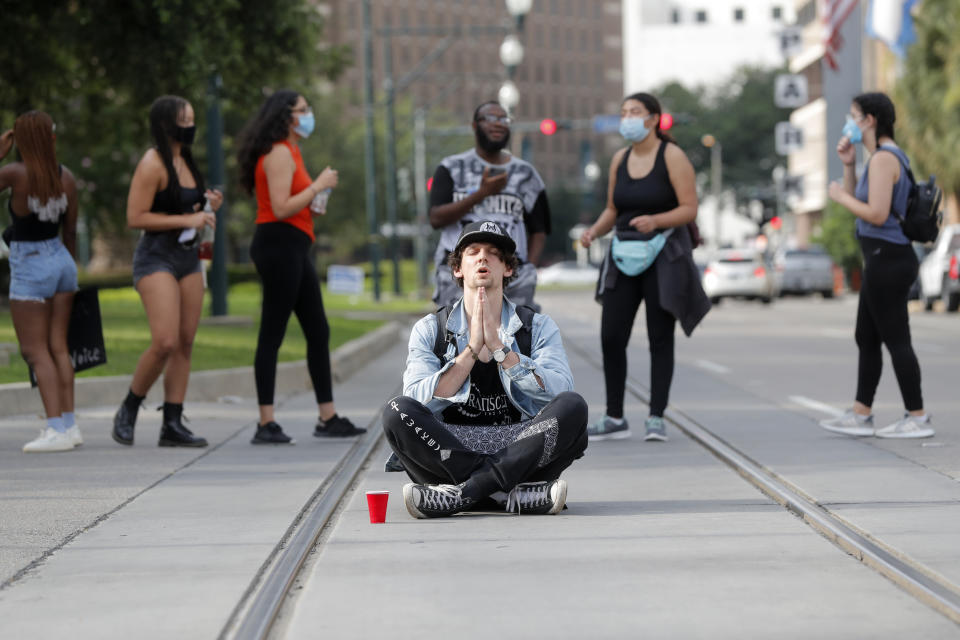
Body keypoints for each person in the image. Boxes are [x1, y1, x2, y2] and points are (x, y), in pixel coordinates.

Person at [382, 220, 588, 518]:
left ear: (507, 269)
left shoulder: (537, 327)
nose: (482, 257)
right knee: (396, 411)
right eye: (473, 252)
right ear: (458, 268)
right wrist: (470, 351)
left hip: (520, 448)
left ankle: (464, 495)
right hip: (450, 451)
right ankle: (511, 496)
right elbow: (417, 400)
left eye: (493, 253)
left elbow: (559, 391)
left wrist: (501, 351)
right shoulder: (430, 329)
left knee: (573, 407)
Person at [580, 92, 709, 443]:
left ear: (653, 119)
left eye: (635, 112)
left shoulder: (673, 156)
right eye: (623, 113)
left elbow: (689, 208)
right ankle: (615, 416)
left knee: (659, 337)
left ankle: (656, 416)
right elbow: (613, 208)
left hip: (662, 255)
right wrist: (594, 231)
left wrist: (656, 220)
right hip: (623, 254)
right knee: (611, 335)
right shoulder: (619, 159)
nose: (627, 119)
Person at [236, 89, 363, 444]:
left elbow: (297, 203)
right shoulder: (278, 153)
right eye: (303, 110)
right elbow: (279, 207)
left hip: (295, 245)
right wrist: (318, 186)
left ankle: (327, 417)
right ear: (286, 116)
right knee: (272, 332)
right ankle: (265, 422)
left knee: (318, 330)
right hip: (278, 245)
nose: (309, 115)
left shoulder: (293, 151)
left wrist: (316, 199)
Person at [819, 92, 932, 439]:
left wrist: (840, 196)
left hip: (889, 258)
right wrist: (849, 166)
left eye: (854, 116)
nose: (849, 122)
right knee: (866, 336)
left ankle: (917, 416)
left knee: (896, 338)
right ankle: (861, 413)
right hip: (881, 258)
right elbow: (861, 201)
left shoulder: (885, 159)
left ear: (869, 120)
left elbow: (877, 214)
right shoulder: (877, 159)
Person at [112, 95, 223, 448]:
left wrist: (206, 207)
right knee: (165, 341)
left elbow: (186, 206)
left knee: (185, 342)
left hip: (188, 257)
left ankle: (172, 423)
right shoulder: (152, 162)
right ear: (165, 124)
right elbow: (135, 217)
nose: (190, 127)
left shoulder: (184, 158)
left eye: (192, 120)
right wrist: (187, 218)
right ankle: (130, 406)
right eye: (184, 121)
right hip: (156, 257)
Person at [0, 111, 81, 452]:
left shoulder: (16, 173)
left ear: (21, 140)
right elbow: (71, 231)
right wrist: (67, 267)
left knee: (35, 351)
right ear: (50, 138)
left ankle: (54, 429)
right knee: (58, 347)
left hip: (31, 263)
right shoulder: (68, 178)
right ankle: (69, 424)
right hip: (61, 261)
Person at [429, 101, 551, 311]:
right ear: (475, 126)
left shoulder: (526, 174)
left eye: (504, 119)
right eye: (490, 118)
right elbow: (436, 218)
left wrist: (528, 266)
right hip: (457, 276)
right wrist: (481, 194)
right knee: (456, 339)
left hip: (512, 275)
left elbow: (539, 229)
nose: (498, 124)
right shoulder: (451, 168)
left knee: (515, 339)